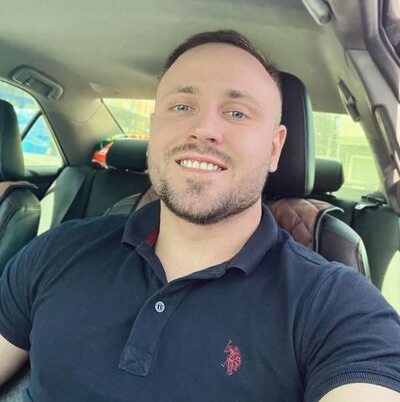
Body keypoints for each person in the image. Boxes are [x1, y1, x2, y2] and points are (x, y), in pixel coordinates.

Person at [0, 30, 400, 401]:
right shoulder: (56, 251)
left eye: (237, 113)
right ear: (154, 131)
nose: (204, 129)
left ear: (275, 148)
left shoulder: (335, 305)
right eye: (181, 106)